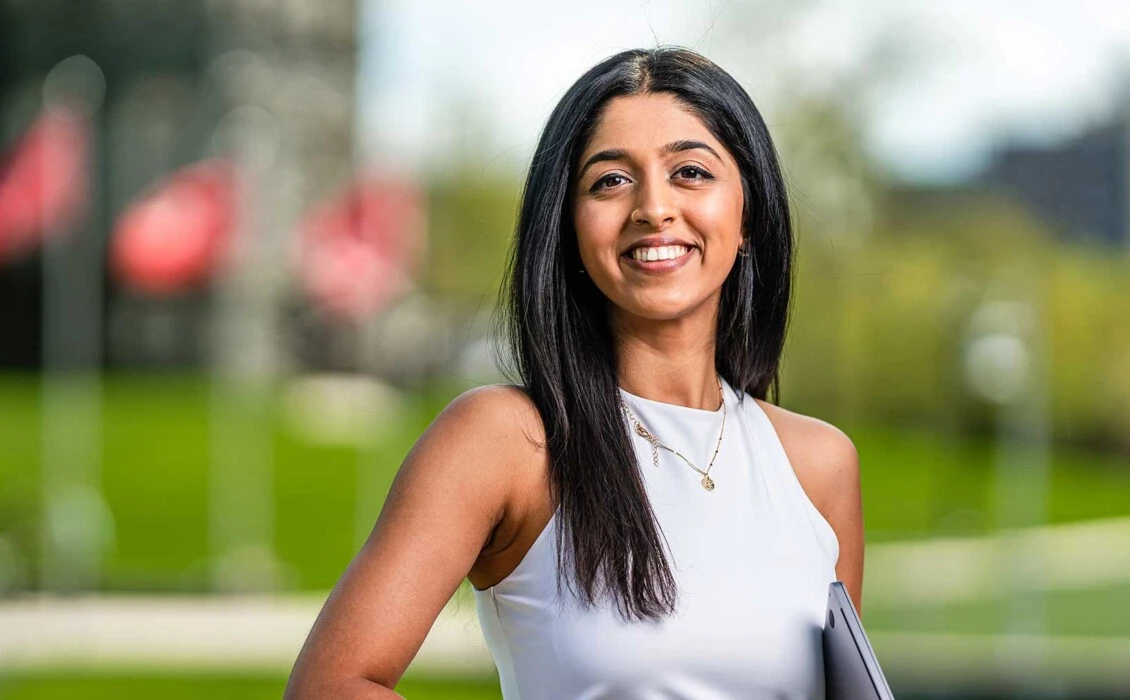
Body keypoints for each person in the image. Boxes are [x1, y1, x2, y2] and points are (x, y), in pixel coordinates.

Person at [284, 45, 864, 699]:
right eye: (610, 180)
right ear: (568, 229)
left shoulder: (820, 466)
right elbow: (332, 685)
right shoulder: (505, 441)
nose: (653, 207)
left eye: (691, 173)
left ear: (748, 213)